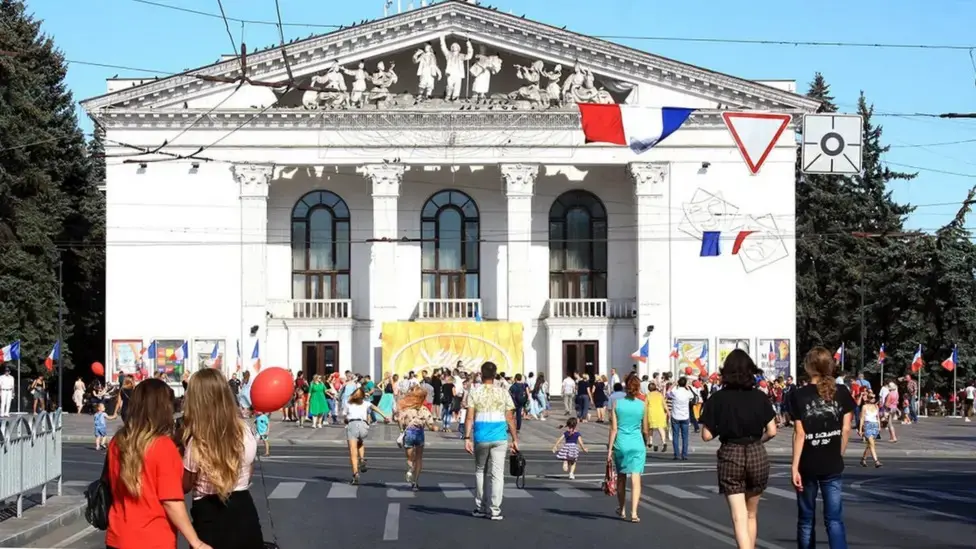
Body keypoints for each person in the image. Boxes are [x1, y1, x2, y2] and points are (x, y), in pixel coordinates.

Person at [105, 378, 211, 549]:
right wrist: (196, 542)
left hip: (118, 536)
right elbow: (171, 501)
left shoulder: (117, 442)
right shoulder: (162, 446)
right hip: (153, 538)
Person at [698, 349, 777, 549]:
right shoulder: (760, 397)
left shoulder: (717, 399)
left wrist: (722, 427)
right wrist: (759, 440)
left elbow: (706, 436)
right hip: (756, 451)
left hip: (731, 452)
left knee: (738, 516)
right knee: (751, 513)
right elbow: (773, 430)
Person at [182, 369, 264, 549]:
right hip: (243, 507)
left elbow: (185, 485)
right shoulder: (245, 430)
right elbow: (248, 472)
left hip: (209, 513)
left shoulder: (198, 441)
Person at [789, 347, 854, 549]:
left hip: (807, 463)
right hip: (832, 462)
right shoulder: (841, 392)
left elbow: (800, 434)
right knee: (834, 519)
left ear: (809, 367)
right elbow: (846, 429)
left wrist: (794, 466)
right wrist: (839, 453)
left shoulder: (798, 395)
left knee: (806, 518)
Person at [463, 361, 519, 521]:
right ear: (495, 375)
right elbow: (510, 418)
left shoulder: (475, 392)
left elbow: (469, 417)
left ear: (481, 374)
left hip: (481, 437)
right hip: (500, 437)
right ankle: (495, 510)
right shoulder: (503, 393)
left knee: (480, 471)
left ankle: (480, 507)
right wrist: (515, 439)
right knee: (497, 474)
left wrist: (467, 438)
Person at [607, 375, 649, 522]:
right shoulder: (642, 405)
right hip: (637, 445)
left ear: (626, 387)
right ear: (638, 388)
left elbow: (613, 429)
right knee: (636, 478)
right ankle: (634, 513)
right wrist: (646, 442)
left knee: (621, 478)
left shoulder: (617, 404)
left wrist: (609, 449)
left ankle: (622, 508)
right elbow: (645, 429)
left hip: (621, 445)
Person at [344, 388, 389, 485]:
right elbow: (375, 408)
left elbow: (345, 417)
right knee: (360, 442)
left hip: (352, 425)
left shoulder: (348, 403)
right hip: (364, 426)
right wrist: (385, 416)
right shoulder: (366, 403)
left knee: (353, 451)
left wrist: (346, 420)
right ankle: (363, 458)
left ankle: (355, 474)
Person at [397, 386, 435, 490]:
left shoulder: (406, 408)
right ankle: (416, 481)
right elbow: (430, 424)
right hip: (420, 433)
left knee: (410, 457)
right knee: (419, 458)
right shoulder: (424, 409)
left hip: (409, 433)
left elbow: (399, 419)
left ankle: (410, 469)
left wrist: (401, 430)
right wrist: (433, 428)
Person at [670, 377, 695, 460]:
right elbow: (692, 396)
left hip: (675, 415)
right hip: (685, 416)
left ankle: (676, 454)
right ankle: (684, 455)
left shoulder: (675, 392)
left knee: (675, 436)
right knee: (685, 437)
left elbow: (667, 393)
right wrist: (687, 387)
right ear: (685, 384)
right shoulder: (687, 393)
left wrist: (673, 385)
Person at [858, 391, 882, 468]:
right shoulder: (864, 407)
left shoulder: (876, 406)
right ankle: (876, 461)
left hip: (875, 426)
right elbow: (862, 418)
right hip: (867, 425)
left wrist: (879, 426)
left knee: (869, 445)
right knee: (872, 444)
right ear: (868, 398)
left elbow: (878, 417)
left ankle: (863, 459)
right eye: (871, 397)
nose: (873, 399)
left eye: (874, 397)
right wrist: (860, 429)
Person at [645, 381, 669, 452]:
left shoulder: (648, 395)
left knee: (651, 428)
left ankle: (651, 442)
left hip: (651, 413)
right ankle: (664, 442)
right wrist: (668, 412)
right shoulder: (660, 394)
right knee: (660, 429)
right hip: (660, 413)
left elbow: (645, 405)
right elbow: (664, 404)